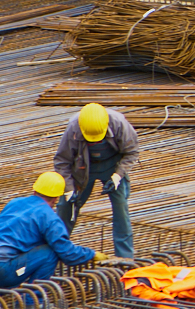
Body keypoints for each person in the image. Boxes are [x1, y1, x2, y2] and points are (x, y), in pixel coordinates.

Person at [0, 172, 95, 292]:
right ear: (56, 198)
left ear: (35, 190)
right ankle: (31, 301)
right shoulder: (49, 217)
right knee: (50, 253)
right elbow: (67, 253)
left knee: (18, 249)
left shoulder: (14, 203)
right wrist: (91, 254)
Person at [53, 101, 140, 259]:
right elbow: (62, 162)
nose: (95, 142)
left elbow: (131, 153)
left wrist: (117, 176)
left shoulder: (119, 124)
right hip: (83, 168)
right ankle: (56, 251)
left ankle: (125, 257)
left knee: (121, 209)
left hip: (113, 166)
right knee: (66, 207)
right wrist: (69, 188)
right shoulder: (74, 127)